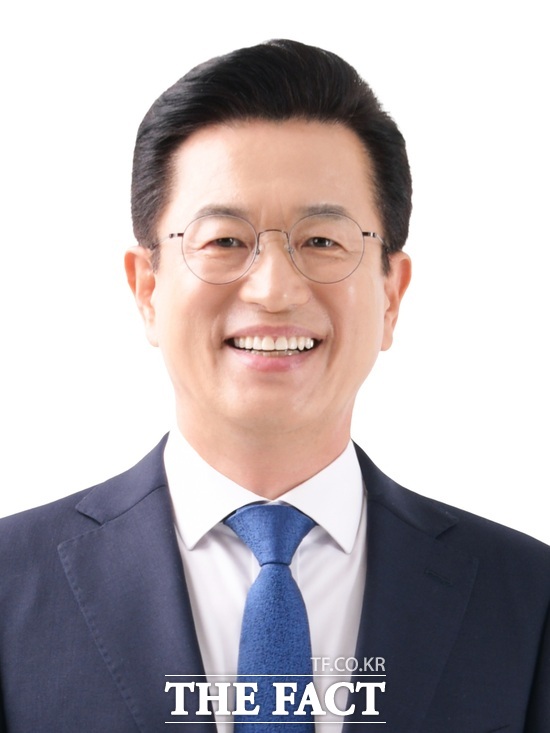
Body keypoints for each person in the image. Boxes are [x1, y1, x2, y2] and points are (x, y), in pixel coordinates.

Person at [0, 39, 548, 733]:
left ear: (391, 294)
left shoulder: (527, 599)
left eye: (322, 241)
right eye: (224, 240)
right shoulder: (11, 585)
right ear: (147, 289)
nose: (274, 289)